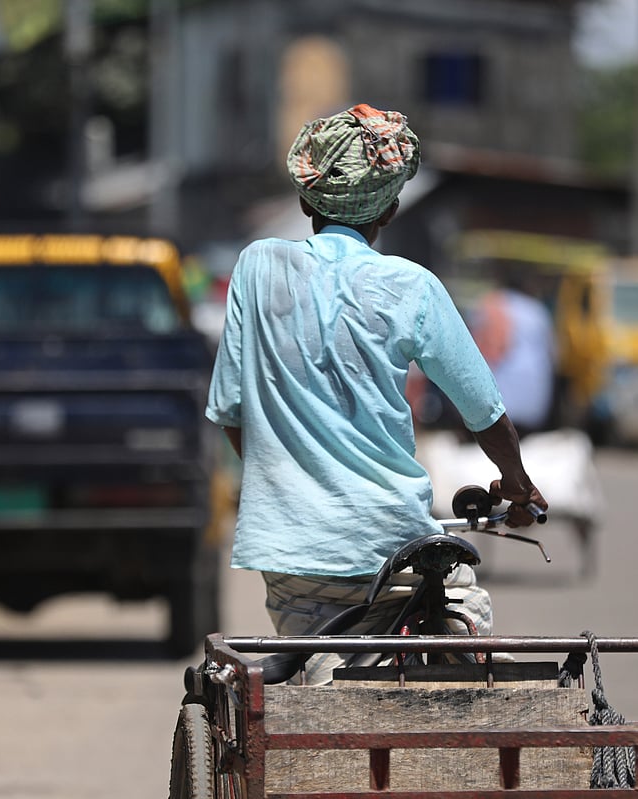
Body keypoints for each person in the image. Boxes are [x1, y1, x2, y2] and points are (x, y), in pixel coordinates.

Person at [205, 104, 546, 683]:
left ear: (307, 201)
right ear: (389, 208)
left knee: (302, 671)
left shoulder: (257, 268)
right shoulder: (412, 286)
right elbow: (485, 413)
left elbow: (233, 412)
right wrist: (517, 485)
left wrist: (290, 479)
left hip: (294, 558)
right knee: (463, 616)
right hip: (392, 543)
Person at [471, 275, 556, 437]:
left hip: (503, 402)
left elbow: (491, 349)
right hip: (537, 403)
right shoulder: (538, 311)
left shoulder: (496, 304)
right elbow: (553, 354)